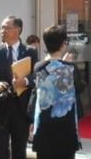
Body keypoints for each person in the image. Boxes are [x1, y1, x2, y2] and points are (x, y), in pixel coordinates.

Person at [0, 16, 38, 159]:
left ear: (18, 29)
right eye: (1, 28)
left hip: (21, 108)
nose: (2, 31)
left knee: (19, 150)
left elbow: (37, 76)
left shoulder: (30, 52)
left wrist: (25, 81)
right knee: (0, 151)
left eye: (6, 28)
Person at [28, 25, 80, 159]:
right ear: (63, 44)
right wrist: (65, 63)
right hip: (66, 125)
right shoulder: (71, 68)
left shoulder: (38, 67)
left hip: (44, 123)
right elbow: (79, 87)